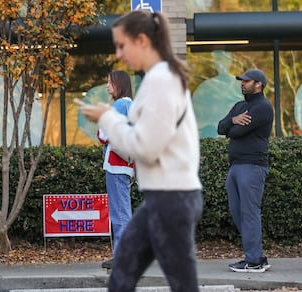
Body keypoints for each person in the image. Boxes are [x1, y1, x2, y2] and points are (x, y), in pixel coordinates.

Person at [78, 10, 204, 292]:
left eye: (122, 45)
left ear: (143, 41)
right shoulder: (160, 78)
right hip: (168, 199)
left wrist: (106, 118)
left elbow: (144, 148)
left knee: (174, 285)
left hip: (171, 201)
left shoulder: (160, 81)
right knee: (122, 278)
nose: (119, 54)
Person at [217, 68, 273, 273]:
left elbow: (239, 132)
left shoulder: (263, 108)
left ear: (258, 84)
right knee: (238, 212)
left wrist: (233, 126)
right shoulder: (239, 106)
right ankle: (256, 255)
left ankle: (254, 259)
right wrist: (232, 120)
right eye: (242, 81)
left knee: (249, 212)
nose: (242, 83)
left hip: (253, 166)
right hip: (236, 166)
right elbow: (221, 128)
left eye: (246, 81)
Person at [97, 70, 135, 269]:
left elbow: (103, 135)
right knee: (123, 210)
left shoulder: (120, 105)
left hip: (116, 163)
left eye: (109, 82)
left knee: (120, 213)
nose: (107, 86)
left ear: (118, 84)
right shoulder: (132, 105)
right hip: (127, 163)